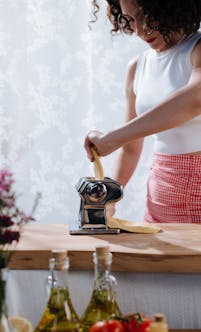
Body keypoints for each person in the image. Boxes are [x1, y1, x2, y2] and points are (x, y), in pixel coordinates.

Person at [84, 0, 201, 223]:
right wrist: (107, 200)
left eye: (147, 17)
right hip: (159, 199)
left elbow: (195, 98)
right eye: (130, 20)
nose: (139, 30)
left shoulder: (197, 49)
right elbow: (130, 149)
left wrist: (112, 138)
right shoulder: (137, 66)